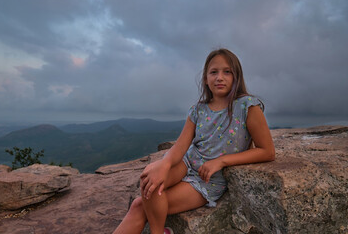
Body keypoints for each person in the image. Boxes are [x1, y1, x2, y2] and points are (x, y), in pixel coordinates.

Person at [113, 48, 275, 234]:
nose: (219, 77)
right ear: (205, 78)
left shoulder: (247, 106)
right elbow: (181, 146)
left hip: (208, 180)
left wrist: (221, 161)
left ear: (236, 77)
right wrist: (164, 164)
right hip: (187, 163)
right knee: (150, 177)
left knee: (140, 204)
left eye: (227, 72)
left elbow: (267, 151)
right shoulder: (198, 109)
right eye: (213, 72)